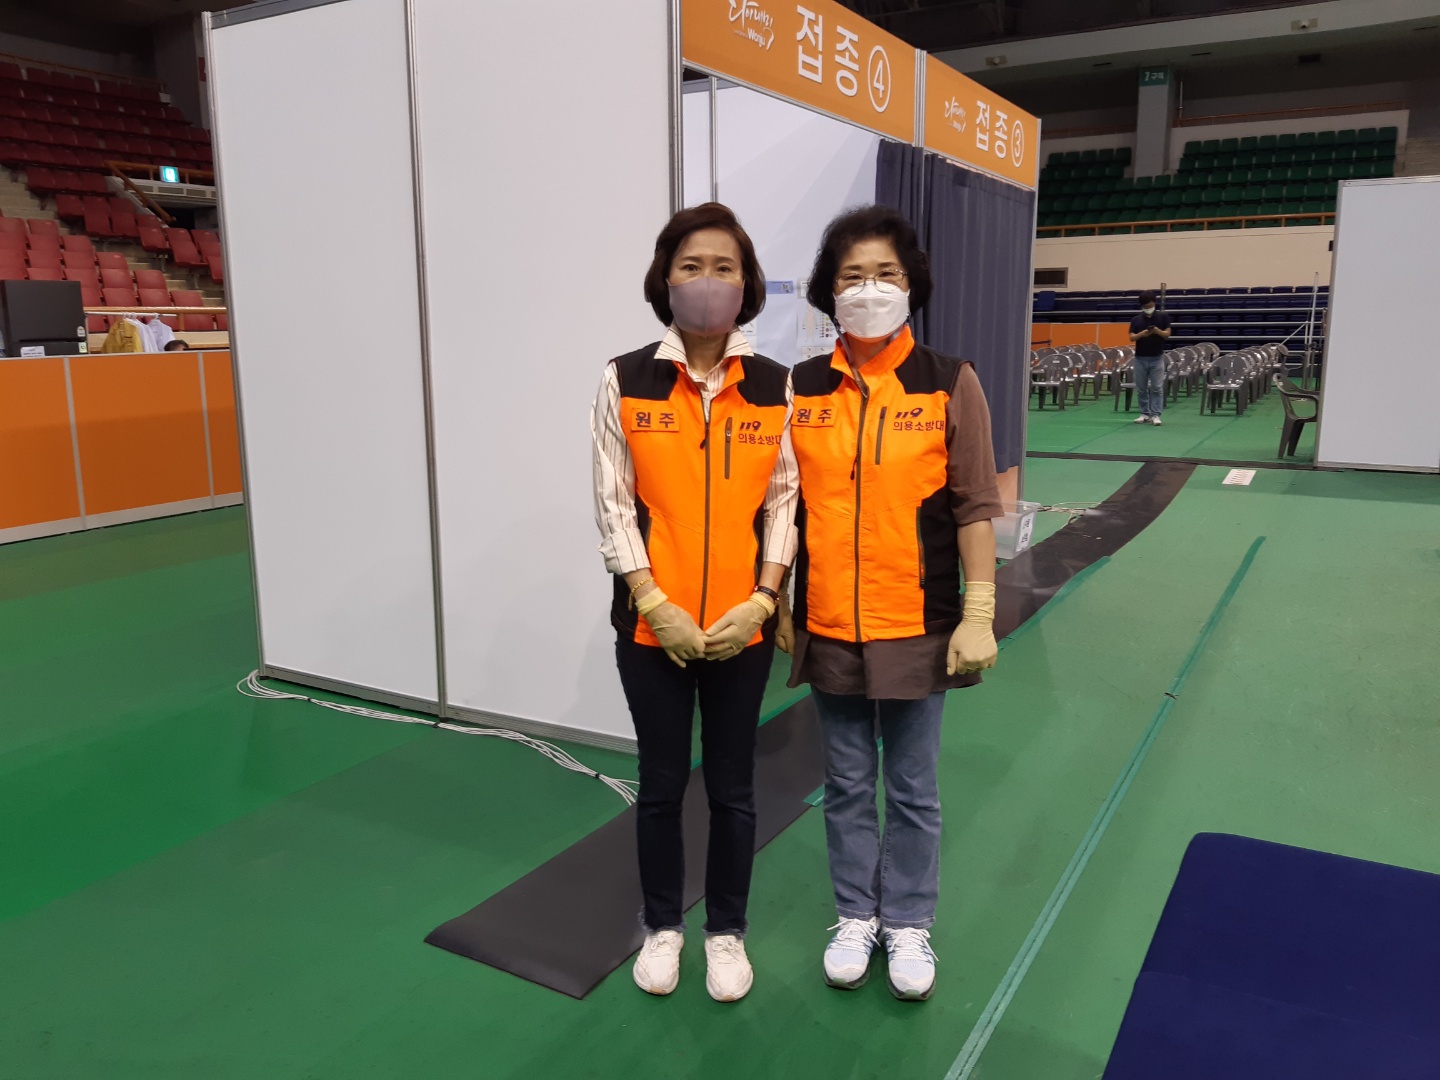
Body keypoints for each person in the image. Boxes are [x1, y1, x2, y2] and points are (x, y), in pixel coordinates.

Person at [780, 205, 1002, 1001]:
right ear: (828, 290)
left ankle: (908, 919)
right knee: (844, 784)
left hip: (917, 621)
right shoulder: (802, 388)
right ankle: (855, 914)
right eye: (852, 276)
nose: (869, 289)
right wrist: (778, 599)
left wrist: (980, 610)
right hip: (831, 623)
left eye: (886, 274)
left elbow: (975, 504)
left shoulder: (948, 380)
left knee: (911, 788)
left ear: (911, 285)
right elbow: (785, 507)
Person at [590, 202, 799, 1003]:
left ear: (746, 283)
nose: (707, 280)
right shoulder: (626, 378)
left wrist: (763, 600)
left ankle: (726, 931)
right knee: (662, 785)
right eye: (690, 266)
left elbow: (785, 502)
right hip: (653, 630)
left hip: (742, 630)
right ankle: (662, 925)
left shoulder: (775, 386)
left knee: (736, 788)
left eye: (723, 267)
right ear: (665, 279)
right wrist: (653, 602)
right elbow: (613, 503)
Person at [1128, 290, 1171, 425]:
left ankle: (1156, 414)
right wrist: (1142, 334)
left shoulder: (1163, 317)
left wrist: (1157, 331)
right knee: (1141, 388)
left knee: (1157, 387)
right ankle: (1144, 413)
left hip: (1157, 358)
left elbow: (1167, 334)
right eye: (1146, 306)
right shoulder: (1136, 320)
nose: (1148, 308)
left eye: (1150, 305)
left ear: (1154, 303)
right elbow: (1131, 337)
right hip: (1140, 358)